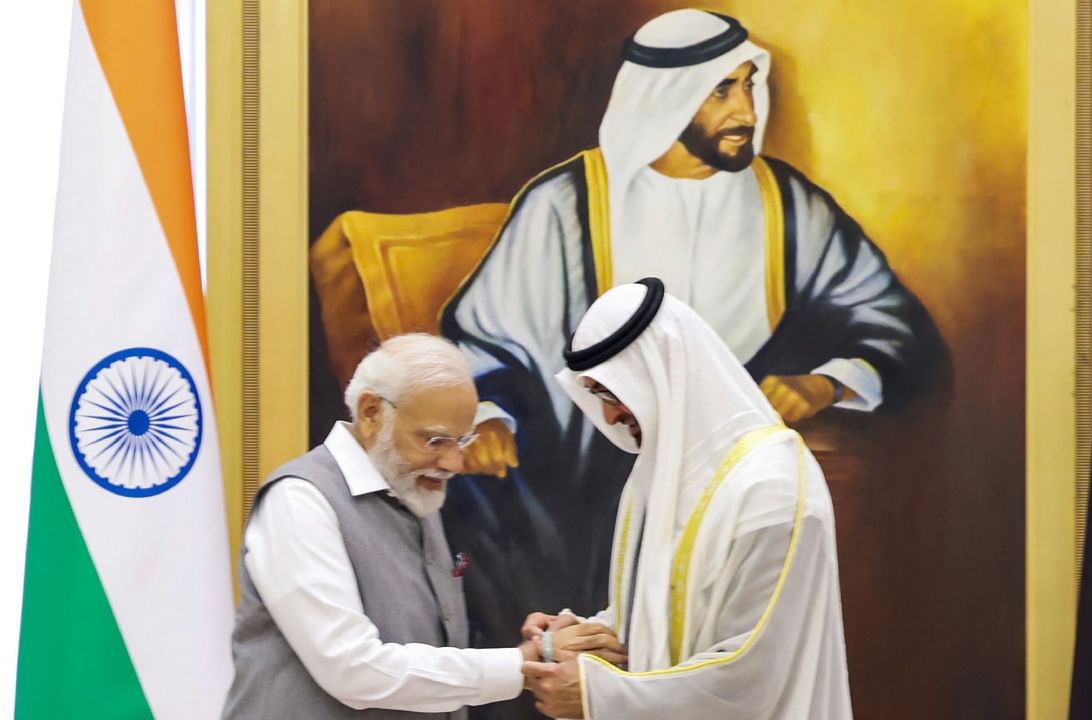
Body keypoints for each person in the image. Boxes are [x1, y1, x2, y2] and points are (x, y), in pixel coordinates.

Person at [438, 8, 930, 706]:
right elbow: (483, 339)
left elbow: (746, 674)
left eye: (747, 85)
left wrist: (827, 383)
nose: (744, 109)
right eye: (720, 90)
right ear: (664, 97)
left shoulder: (786, 208)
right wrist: (587, 635)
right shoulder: (566, 205)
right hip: (565, 480)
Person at [520, 278, 853, 719]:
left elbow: (752, 676)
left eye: (611, 392)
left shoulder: (772, 488)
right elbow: (666, 617)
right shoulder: (662, 472)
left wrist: (601, 697)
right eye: (597, 395)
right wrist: (584, 636)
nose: (609, 415)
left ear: (662, 371)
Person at [222, 333, 548, 718]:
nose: (455, 463)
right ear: (371, 412)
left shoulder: (411, 488)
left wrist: (538, 645)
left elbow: (428, 642)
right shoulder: (299, 500)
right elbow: (354, 670)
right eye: (436, 441)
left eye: (462, 441)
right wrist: (520, 666)